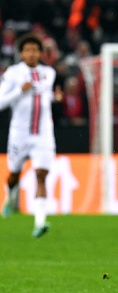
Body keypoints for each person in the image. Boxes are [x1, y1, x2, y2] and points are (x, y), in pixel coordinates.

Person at [0, 33, 62, 238]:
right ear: (21, 53)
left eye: (35, 50)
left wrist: (55, 98)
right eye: (27, 50)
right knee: (14, 175)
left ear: (40, 53)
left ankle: (40, 222)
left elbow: (43, 97)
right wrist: (19, 91)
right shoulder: (13, 74)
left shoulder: (49, 73)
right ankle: (9, 197)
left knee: (41, 175)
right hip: (20, 134)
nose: (32, 53)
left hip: (43, 134)